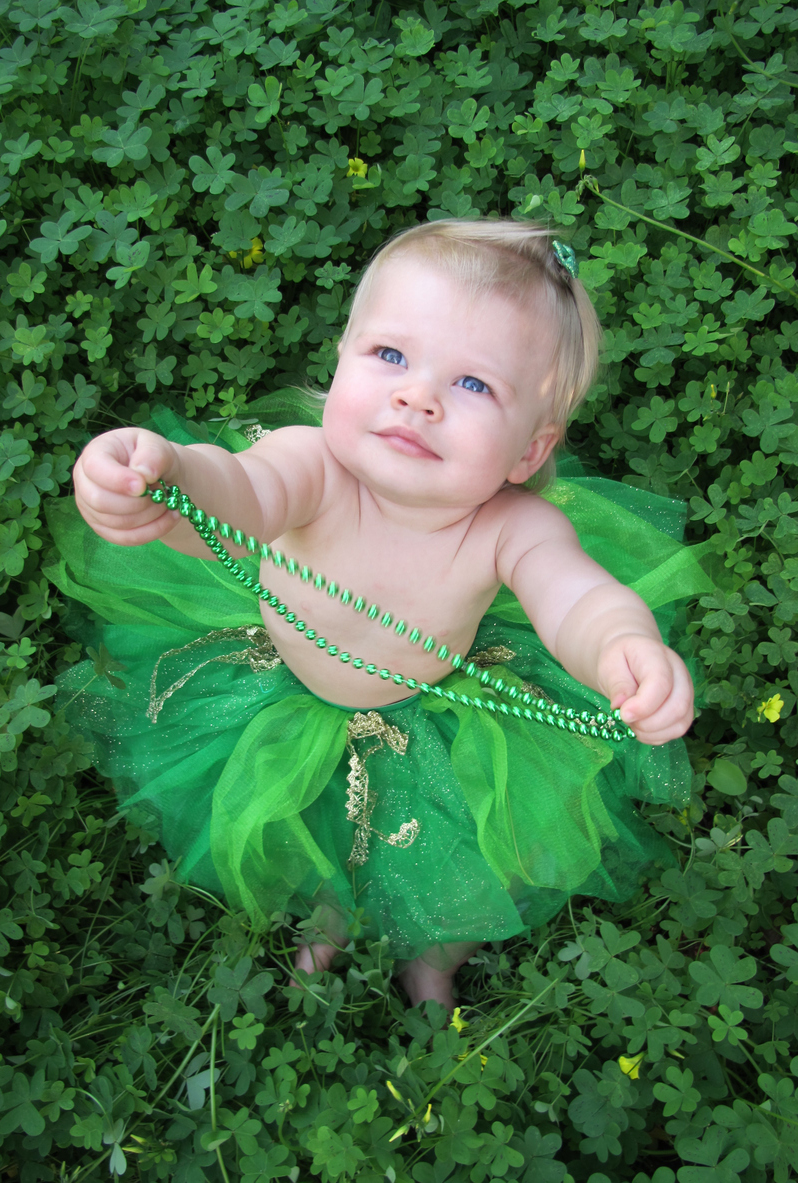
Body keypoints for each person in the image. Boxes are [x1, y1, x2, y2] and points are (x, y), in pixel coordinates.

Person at [56, 219, 710, 1010]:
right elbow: (233, 495)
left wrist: (618, 643)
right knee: (318, 827)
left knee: (457, 859)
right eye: (390, 356)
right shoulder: (309, 466)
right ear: (339, 364)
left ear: (528, 454)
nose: (417, 396)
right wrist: (166, 481)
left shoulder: (510, 528)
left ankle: (435, 955)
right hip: (280, 691)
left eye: (473, 385)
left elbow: (574, 594)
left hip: (426, 713)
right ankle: (329, 917)